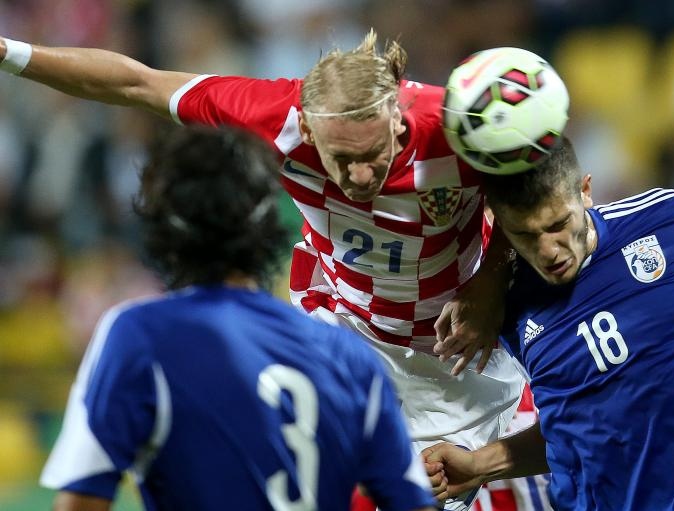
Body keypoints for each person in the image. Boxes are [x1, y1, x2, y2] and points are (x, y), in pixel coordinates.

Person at [0, 31, 525, 509]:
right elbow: (138, 83)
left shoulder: (456, 125)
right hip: (346, 334)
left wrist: (492, 277)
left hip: (462, 341)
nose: (361, 176)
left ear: (395, 114)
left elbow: (538, 173)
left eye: (375, 154)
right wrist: (11, 54)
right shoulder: (274, 117)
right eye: (341, 159)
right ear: (310, 130)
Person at [39, 125, 438, 511]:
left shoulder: (141, 335)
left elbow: (81, 500)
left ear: (162, 226)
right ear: (267, 225)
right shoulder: (349, 355)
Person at [423, 137, 674, 510]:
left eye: (558, 224)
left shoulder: (671, 221)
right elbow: (575, 427)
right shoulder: (509, 310)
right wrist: (478, 466)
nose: (548, 250)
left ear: (585, 191)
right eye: (526, 235)